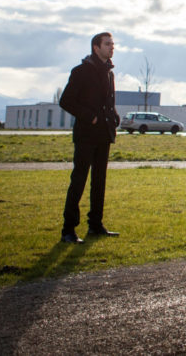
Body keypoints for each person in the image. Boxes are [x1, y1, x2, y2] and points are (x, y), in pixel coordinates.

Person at [58, 32, 121, 243]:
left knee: (99, 182)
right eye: (107, 44)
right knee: (79, 181)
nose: (112, 47)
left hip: (104, 134)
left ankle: (95, 225)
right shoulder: (81, 72)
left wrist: (113, 116)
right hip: (86, 135)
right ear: (96, 47)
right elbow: (66, 101)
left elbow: (107, 102)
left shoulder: (109, 73)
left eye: (113, 44)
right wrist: (90, 117)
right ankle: (68, 230)